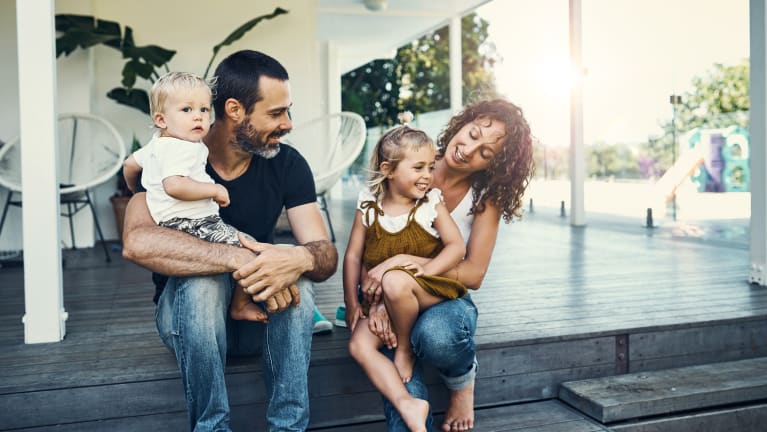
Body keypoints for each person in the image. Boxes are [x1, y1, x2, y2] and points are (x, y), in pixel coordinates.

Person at [121, 50, 338, 432]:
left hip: (260, 318)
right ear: (235, 109)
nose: (288, 124)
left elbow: (324, 254)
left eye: (288, 111)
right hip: (188, 324)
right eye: (276, 113)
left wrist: (298, 260)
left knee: (296, 275)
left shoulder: (287, 164)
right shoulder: (170, 154)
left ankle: (288, 428)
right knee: (204, 282)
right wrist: (235, 258)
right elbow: (137, 242)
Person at [353, 99, 534, 432]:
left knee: (435, 335)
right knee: (392, 349)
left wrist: (405, 265)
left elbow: (473, 274)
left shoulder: (484, 197)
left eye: (486, 152)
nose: (469, 149)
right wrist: (374, 302)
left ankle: (462, 377)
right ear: (462, 123)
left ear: (495, 165)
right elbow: (367, 246)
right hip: (391, 292)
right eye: (472, 133)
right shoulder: (411, 160)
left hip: (446, 297)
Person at [344, 126, 467, 431]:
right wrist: (352, 302)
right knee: (359, 346)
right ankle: (407, 402)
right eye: (418, 167)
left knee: (396, 281)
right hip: (388, 296)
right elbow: (354, 256)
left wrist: (425, 270)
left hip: (428, 288)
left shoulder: (430, 204)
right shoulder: (369, 205)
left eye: (430, 166)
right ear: (388, 170)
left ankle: (404, 349)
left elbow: (457, 247)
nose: (428, 175)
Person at [123, 71, 267, 323]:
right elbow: (174, 186)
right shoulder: (183, 148)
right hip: (195, 223)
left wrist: (138, 190)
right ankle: (240, 305)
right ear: (161, 119)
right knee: (252, 249)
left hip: (170, 225)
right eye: (187, 110)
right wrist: (215, 190)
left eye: (204, 108)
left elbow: (129, 166)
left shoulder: (156, 145)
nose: (198, 116)